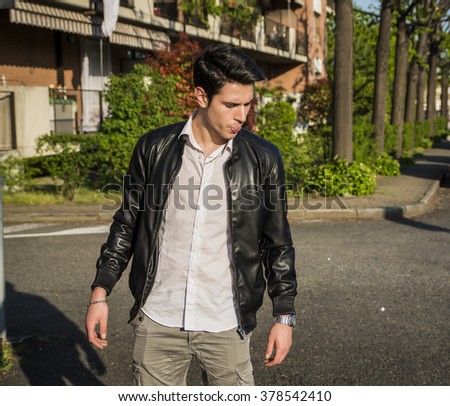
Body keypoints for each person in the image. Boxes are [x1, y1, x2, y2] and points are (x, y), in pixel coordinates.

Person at [85, 43, 297, 386]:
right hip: (158, 320)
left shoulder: (263, 159)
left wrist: (284, 316)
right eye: (231, 105)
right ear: (201, 96)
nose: (242, 116)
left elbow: (278, 243)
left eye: (247, 104)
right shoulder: (154, 149)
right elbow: (126, 224)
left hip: (227, 322)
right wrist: (100, 293)